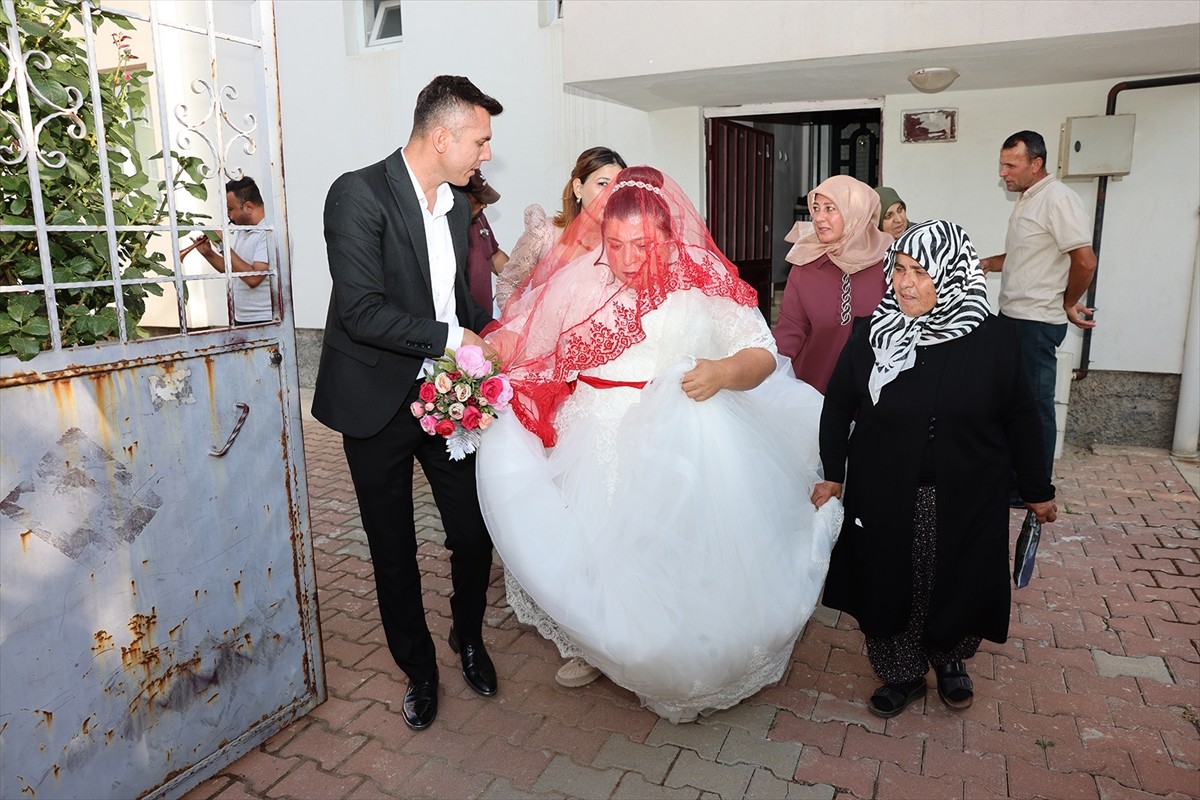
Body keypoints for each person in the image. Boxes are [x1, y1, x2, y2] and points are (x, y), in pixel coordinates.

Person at [476, 166, 842, 723]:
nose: (625, 258)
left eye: (641, 245)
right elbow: (529, 343)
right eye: (614, 244)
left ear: (670, 238)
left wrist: (723, 370)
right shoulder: (579, 282)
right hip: (594, 432)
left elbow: (762, 352)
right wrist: (477, 363)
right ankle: (597, 644)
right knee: (594, 542)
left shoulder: (704, 285)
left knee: (675, 546)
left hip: (684, 431)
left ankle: (685, 644)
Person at [311, 75, 503, 732]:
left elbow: (451, 299)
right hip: (373, 402)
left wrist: (499, 331)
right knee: (392, 549)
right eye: (479, 141)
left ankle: (468, 638)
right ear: (442, 135)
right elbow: (363, 312)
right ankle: (418, 669)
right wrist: (458, 337)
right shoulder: (357, 194)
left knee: (475, 535)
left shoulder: (456, 205)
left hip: (446, 398)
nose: (484, 154)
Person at [811, 220, 1057, 719]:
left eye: (921, 272)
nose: (904, 283)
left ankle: (950, 662)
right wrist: (833, 472)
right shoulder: (872, 334)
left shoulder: (994, 339)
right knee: (892, 576)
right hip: (885, 488)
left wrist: (1036, 488)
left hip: (968, 491)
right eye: (899, 269)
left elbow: (1021, 416)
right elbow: (838, 404)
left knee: (958, 576)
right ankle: (900, 672)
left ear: (954, 274)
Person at [979, 130, 1097, 483]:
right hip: (1012, 318)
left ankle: (1034, 486)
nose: (1003, 172)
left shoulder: (1058, 198)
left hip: (1035, 323)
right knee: (1010, 403)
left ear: (1036, 163)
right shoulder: (1029, 198)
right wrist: (985, 263)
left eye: (1011, 165)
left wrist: (1069, 301)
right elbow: (1024, 257)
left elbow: (1085, 261)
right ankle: (1015, 477)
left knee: (1034, 407)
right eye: (1002, 164)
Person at [773, 175, 892, 394]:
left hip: (876, 395)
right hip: (813, 393)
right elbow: (790, 330)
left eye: (830, 208)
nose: (819, 217)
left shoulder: (892, 263)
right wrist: (767, 374)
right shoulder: (804, 265)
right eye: (816, 208)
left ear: (856, 211)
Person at [494, 146, 626, 311]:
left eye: (617, 187)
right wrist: (521, 328)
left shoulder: (623, 245)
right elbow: (508, 284)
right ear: (578, 187)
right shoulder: (544, 234)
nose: (610, 194)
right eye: (602, 184)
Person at [190, 176, 273, 325]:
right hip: (242, 318)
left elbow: (253, 279)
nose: (229, 216)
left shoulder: (270, 233)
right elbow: (235, 269)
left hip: (264, 320)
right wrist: (209, 253)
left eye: (230, 209)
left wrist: (223, 245)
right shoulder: (244, 230)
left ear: (248, 207)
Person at [464, 170, 509, 313]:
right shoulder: (446, 229)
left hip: (483, 320)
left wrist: (528, 280)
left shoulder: (479, 220)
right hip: (461, 323)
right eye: (479, 199)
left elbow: (494, 256)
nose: (484, 205)